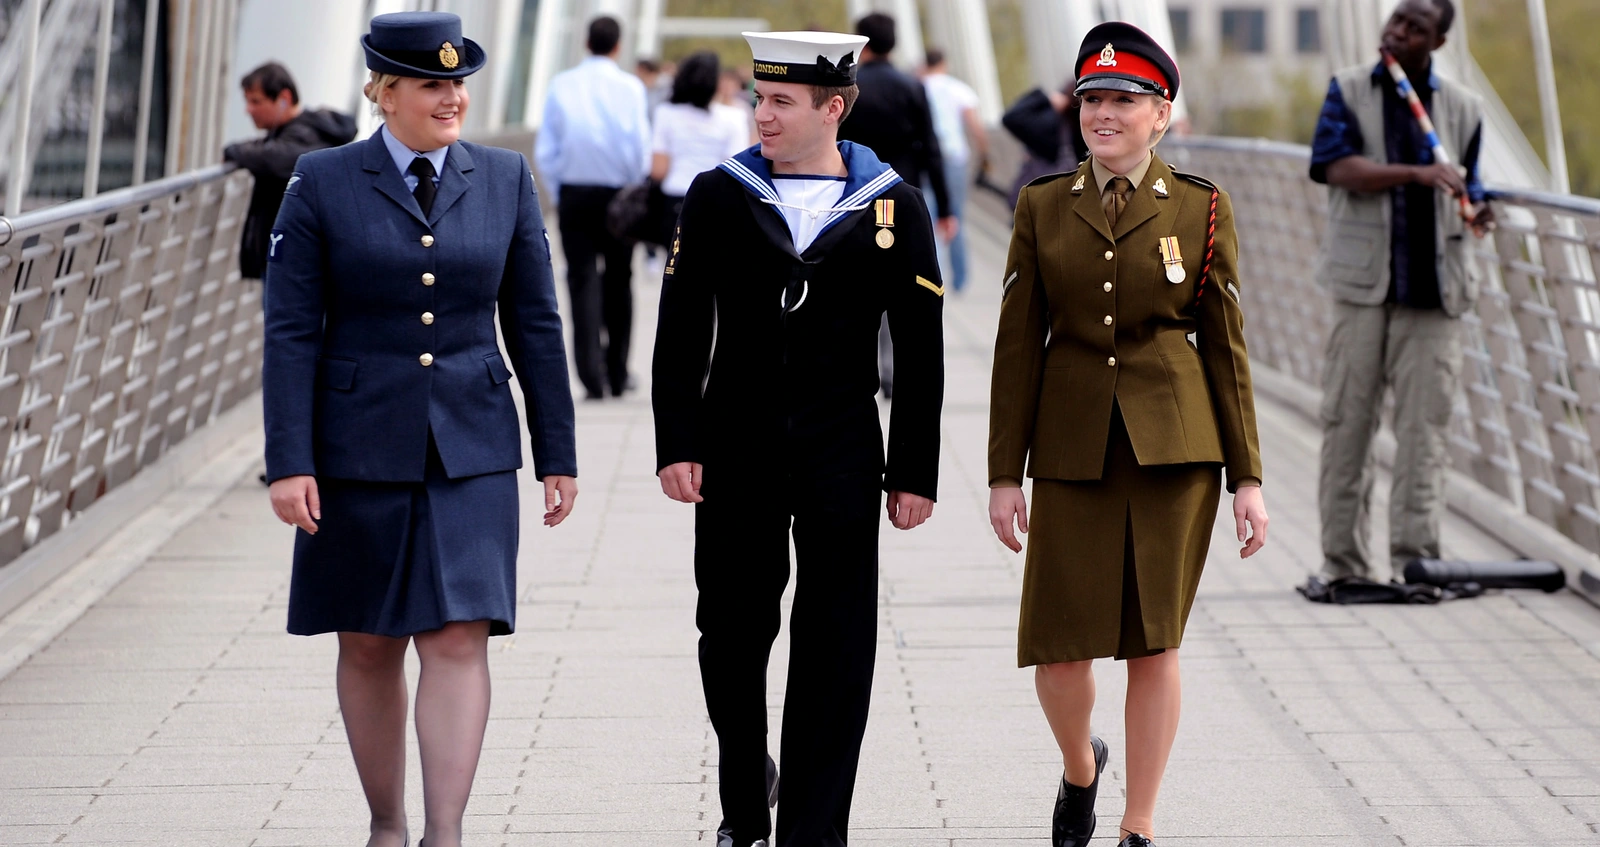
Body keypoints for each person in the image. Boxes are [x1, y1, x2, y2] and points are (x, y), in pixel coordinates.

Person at [262, 12, 578, 847]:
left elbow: (536, 322)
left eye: (459, 83)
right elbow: (290, 328)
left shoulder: (507, 177)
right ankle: (386, 825)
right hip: (355, 442)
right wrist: (288, 460)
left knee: (458, 632)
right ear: (384, 90)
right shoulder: (320, 179)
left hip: (472, 443)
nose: (453, 99)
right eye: (433, 84)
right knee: (368, 641)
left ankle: (446, 833)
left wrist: (558, 451)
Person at [652, 30, 945, 847]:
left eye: (781, 101)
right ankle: (746, 794)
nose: (761, 115)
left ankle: (814, 831)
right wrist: (675, 439)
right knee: (731, 637)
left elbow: (920, 349)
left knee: (837, 645)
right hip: (734, 447)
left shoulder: (894, 205)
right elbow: (680, 329)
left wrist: (913, 470)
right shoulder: (717, 194)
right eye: (758, 98)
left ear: (834, 107)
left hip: (844, 452)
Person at [986, 23, 1268, 847]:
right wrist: (1005, 473)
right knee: (1059, 651)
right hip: (1070, 446)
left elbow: (1227, 347)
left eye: (1124, 101)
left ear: (1162, 113)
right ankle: (1081, 765)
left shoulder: (1201, 205)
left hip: (1175, 450)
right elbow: (1014, 346)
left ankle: (1139, 822)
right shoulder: (1042, 205)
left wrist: (1248, 477)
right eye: (1093, 100)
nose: (1104, 114)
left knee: (1155, 643)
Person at [1308, 0, 1492, 593]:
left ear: (1435, 43)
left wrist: (1479, 205)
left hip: (1436, 293)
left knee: (1425, 432)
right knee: (1347, 424)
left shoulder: (1465, 108)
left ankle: (1417, 563)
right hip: (1364, 288)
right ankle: (1346, 566)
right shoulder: (1347, 90)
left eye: (1415, 27)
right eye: (1395, 20)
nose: (1397, 32)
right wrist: (1414, 174)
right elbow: (1333, 166)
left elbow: (1472, 181)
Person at [838, 12, 956, 398]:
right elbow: (931, 147)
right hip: (902, 196)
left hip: (852, 194)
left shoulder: (849, 87)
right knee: (900, 283)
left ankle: (856, 366)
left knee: (853, 281)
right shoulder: (911, 86)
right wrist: (946, 208)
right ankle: (892, 371)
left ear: (862, 44)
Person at [535, 15, 651, 400]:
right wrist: (635, 189)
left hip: (575, 193)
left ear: (587, 42)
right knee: (620, 281)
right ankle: (617, 373)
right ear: (618, 46)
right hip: (620, 194)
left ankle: (590, 377)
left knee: (581, 281)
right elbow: (639, 147)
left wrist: (559, 190)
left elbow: (547, 150)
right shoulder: (631, 87)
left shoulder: (562, 84)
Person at [223, 62, 356, 281]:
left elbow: (276, 159)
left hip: (297, 262)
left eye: (256, 101)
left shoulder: (305, 135)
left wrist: (234, 151)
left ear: (284, 98)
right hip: (298, 257)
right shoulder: (309, 131)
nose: (248, 110)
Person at [649, 51, 749, 245]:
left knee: (672, 267)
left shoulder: (666, 113)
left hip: (675, 198)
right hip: (714, 202)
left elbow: (658, 170)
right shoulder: (734, 118)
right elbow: (735, 172)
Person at [920, 48, 988, 294]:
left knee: (928, 217)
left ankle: (932, 278)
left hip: (927, 160)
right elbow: (975, 125)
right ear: (944, 63)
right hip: (955, 159)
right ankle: (960, 278)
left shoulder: (919, 87)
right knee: (955, 215)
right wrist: (984, 154)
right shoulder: (958, 89)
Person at [1000, 82, 1090, 210]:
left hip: (1041, 205)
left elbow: (1012, 118)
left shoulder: (1053, 128)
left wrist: (1043, 97)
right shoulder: (1094, 132)